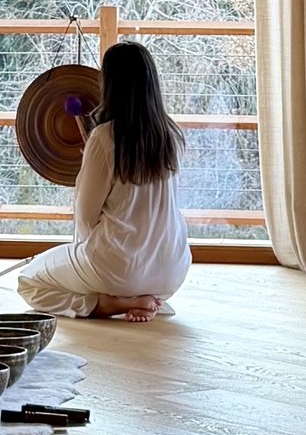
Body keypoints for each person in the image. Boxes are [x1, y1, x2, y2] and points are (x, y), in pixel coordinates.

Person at [16, 40, 191, 321]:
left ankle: (113, 305)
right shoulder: (172, 135)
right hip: (171, 271)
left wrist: (86, 257)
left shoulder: (104, 137)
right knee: (105, 269)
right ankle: (141, 299)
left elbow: (85, 218)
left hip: (117, 269)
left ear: (110, 85)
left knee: (29, 281)